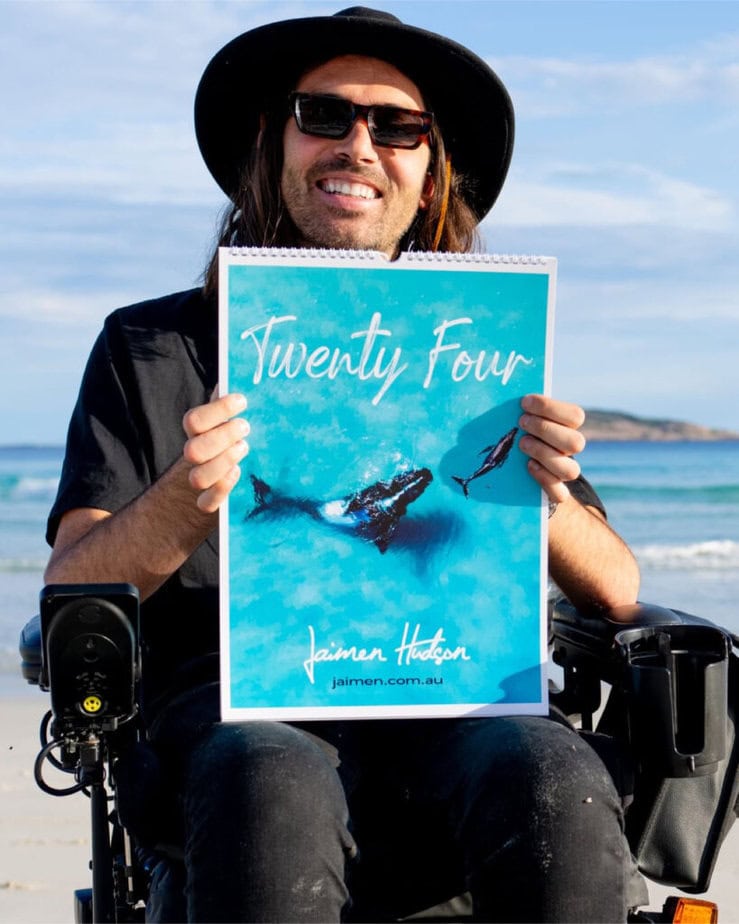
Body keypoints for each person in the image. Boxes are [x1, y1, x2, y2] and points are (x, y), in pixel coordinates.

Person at [44, 7, 647, 922]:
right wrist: (185, 498)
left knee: (550, 770)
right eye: (322, 114)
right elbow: (73, 582)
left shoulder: (478, 350)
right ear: (269, 142)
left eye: (398, 126)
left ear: (429, 168)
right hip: (231, 709)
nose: (360, 144)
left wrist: (543, 495)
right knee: (272, 774)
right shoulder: (152, 347)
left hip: (453, 696)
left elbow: (618, 588)